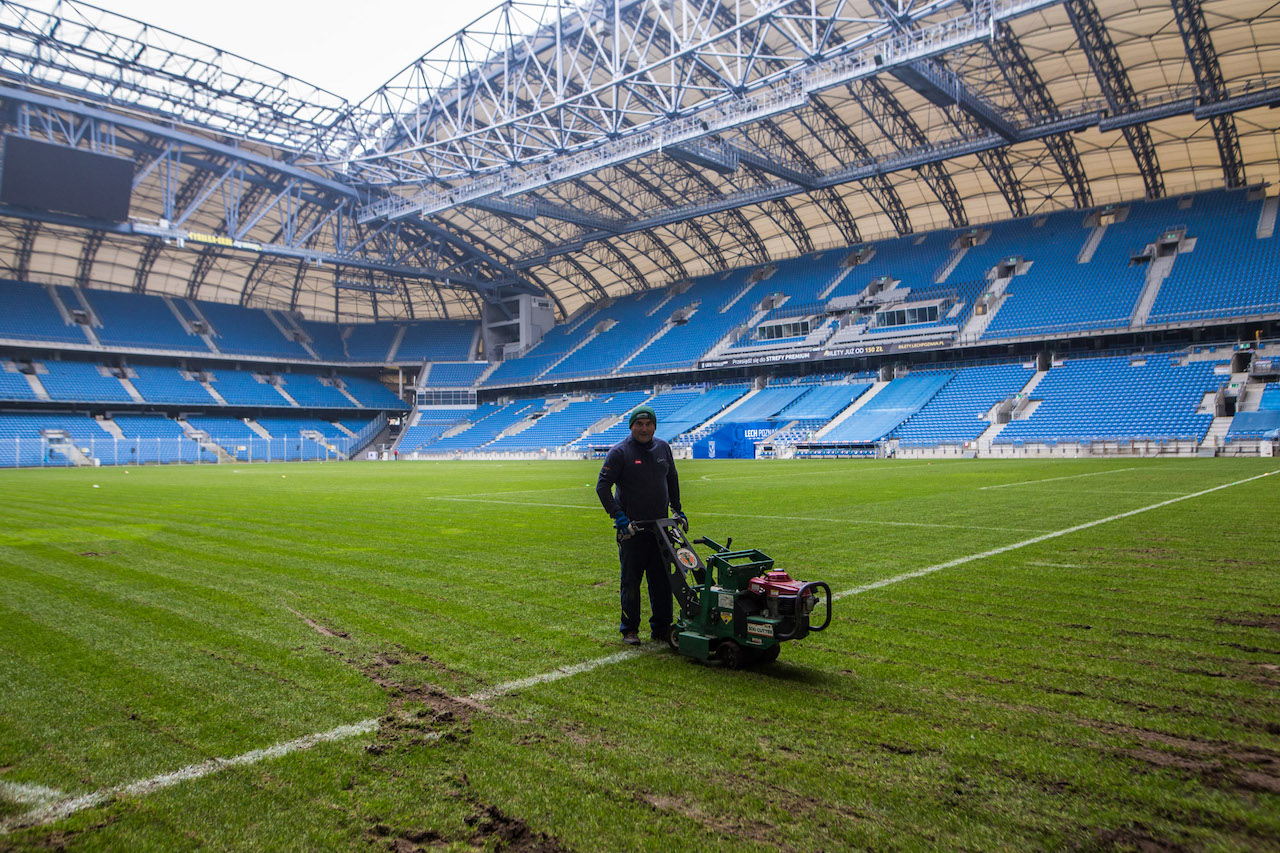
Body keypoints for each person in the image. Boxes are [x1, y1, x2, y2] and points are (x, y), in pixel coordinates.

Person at [595, 404, 688, 645]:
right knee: (631, 581)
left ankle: (661, 629)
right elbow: (602, 487)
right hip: (632, 530)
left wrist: (677, 509)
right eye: (639, 424)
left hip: (661, 530)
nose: (644, 429)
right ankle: (630, 629)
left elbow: (672, 479)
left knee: (662, 581)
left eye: (648, 424)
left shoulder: (663, 448)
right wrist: (618, 516)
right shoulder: (620, 452)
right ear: (631, 426)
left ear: (654, 426)